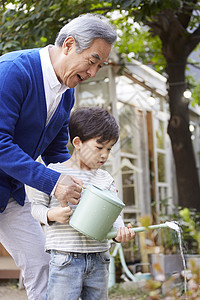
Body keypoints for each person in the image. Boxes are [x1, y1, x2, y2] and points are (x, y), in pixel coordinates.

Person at [0, 14, 117, 300]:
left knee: (43, 267)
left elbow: (54, 151)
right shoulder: (13, 72)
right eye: (92, 61)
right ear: (68, 44)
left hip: (11, 190)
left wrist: (78, 181)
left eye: (100, 66)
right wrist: (54, 183)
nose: (93, 73)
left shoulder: (66, 93)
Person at [31, 106, 135, 300]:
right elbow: (35, 207)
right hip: (65, 258)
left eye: (109, 149)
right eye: (99, 147)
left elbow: (114, 214)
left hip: (99, 258)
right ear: (77, 143)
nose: (104, 155)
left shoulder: (105, 178)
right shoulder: (53, 173)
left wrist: (120, 233)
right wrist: (52, 215)